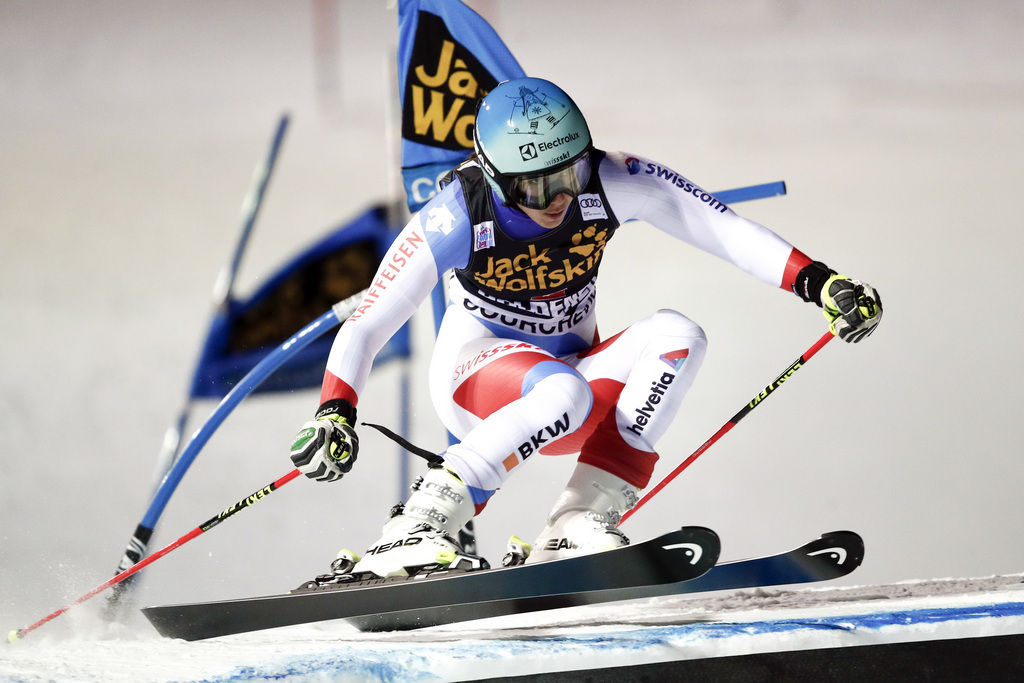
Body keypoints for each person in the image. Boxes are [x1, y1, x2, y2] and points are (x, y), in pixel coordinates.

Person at [288, 77, 882, 579]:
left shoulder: (610, 179)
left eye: (569, 174)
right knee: (561, 391)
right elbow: (369, 323)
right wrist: (335, 411)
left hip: (571, 386)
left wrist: (821, 283)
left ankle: (576, 524)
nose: (560, 198)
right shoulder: (457, 214)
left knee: (679, 336)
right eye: (537, 186)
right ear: (496, 177)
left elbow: (719, 227)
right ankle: (421, 523)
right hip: (478, 383)